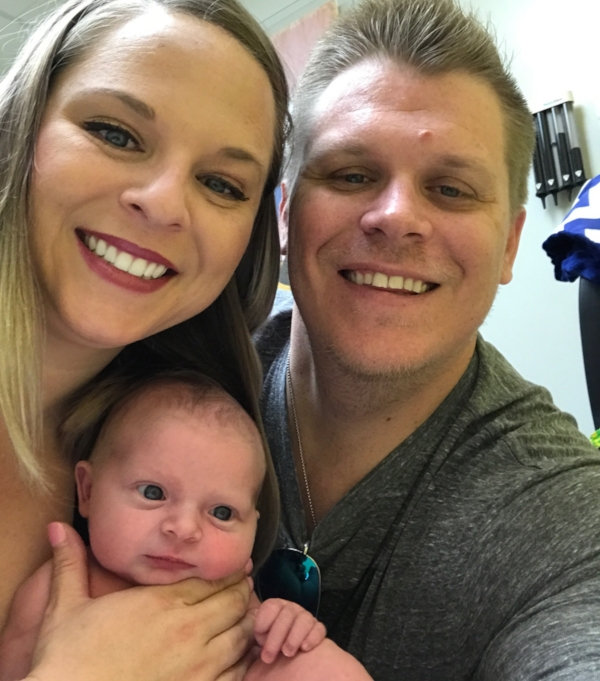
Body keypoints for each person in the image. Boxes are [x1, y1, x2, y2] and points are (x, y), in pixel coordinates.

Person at [255, 0, 600, 679]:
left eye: (450, 189)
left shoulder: (559, 516)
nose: (396, 217)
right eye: (352, 174)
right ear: (286, 214)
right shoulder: (176, 379)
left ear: (509, 246)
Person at [0, 0, 291, 678]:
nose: (162, 203)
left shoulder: (201, 439)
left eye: (220, 183)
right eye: (116, 133)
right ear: (19, 127)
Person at [0, 370, 329, 680]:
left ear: (253, 529)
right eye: (153, 493)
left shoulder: (233, 601)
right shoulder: (55, 593)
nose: (184, 529)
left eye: (222, 513)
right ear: (87, 490)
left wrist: (286, 629)